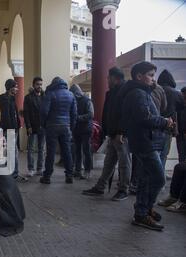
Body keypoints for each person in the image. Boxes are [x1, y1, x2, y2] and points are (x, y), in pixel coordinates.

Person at [121, 61, 174, 231]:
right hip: (145, 142)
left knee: (145, 179)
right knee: (159, 178)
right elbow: (145, 118)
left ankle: (142, 212)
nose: (153, 79)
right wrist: (164, 122)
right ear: (139, 76)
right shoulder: (138, 93)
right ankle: (143, 211)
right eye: (150, 75)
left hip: (145, 141)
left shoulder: (141, 91)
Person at [83, 67, 131, 200]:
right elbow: (108, 112)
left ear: (115, 78)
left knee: (124, 163)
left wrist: (121, 131)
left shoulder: (126, 91)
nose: (107, 80)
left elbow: (126, 114)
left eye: (108, 78)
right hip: (112, 134)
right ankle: (100, 186)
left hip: (121, 135)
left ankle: (123, 189)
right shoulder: (111, 92)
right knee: (109, 162)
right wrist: (106, 131)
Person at [40, 77, 77, 184]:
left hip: (52, 126)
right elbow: (74, 114)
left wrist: (44, 124)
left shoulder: (50, 94)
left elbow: (43, 111)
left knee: (50, 152)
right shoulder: (71, 95)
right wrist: (71, 127)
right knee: (67, 151)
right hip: (66, 126)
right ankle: (69, 175)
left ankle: (47, 176)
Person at [0, 79, 27, 182]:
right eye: (15, 87)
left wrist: (18, 124)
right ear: (10, 88)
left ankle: (9, 172)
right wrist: (11, 129)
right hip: (10, 129)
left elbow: (14, 114)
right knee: (13, 152)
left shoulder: (10, 98)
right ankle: (13, 174)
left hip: (13, 128)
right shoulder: (5, 100)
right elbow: (6, 117)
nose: (17, 89)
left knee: (11, 151)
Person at [158, 70, 184, 169]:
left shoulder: (156, 90)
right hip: (169, 126)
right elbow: (181, 107)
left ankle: (156, 176)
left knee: (156, 154)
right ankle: (161, 176)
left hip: (156, 125)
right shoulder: (176, 93)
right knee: (164, 153)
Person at [70, 84, 94, 180]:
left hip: (86, 130)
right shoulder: (73, 101)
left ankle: (87, 170)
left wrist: (78, 118)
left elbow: (91, 114)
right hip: (77, 129)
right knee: (77, 151)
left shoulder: (87, 101)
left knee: (86, 151)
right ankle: (78, 170)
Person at [24, 76, 45, 177]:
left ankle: (40, 169)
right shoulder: (28, 97)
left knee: (41, 149)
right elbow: (26, 113)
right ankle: (31, 169)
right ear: (33, 85)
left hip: (43, 126)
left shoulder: (45, 96)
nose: (39, 86)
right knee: (31, 149)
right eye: (37, 84)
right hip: (32, 126)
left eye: (41, 84)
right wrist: (28, 126)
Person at [177, 87, 186, 162]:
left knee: (182, 155)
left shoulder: (180, 107)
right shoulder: (180, 106)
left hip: (181, 134)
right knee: (181, 155)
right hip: (180, 134)